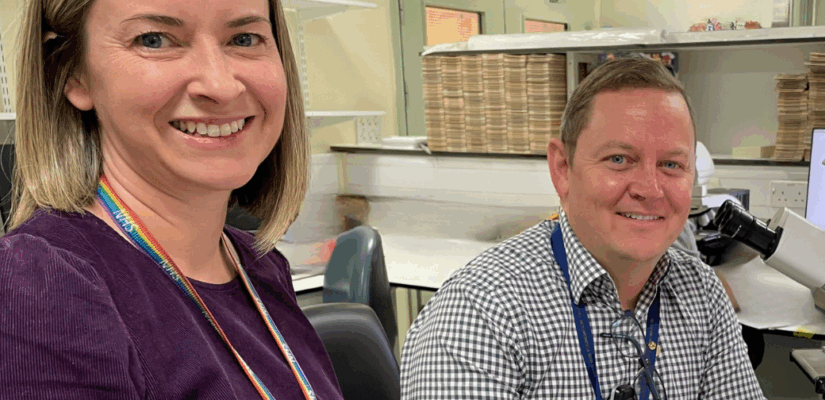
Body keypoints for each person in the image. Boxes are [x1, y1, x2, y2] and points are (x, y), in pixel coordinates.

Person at [0, 0, 343, 398]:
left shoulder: (260, 265)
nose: (220, 85)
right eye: (154, 40)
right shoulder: (35, 286)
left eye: (244, 39)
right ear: (70, 72)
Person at [400, 56, 765, 399]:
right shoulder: (481, 312)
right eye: (619, 159)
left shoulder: (700, 294)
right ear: (562, 169)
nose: (650, 190)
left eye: (671, 164)